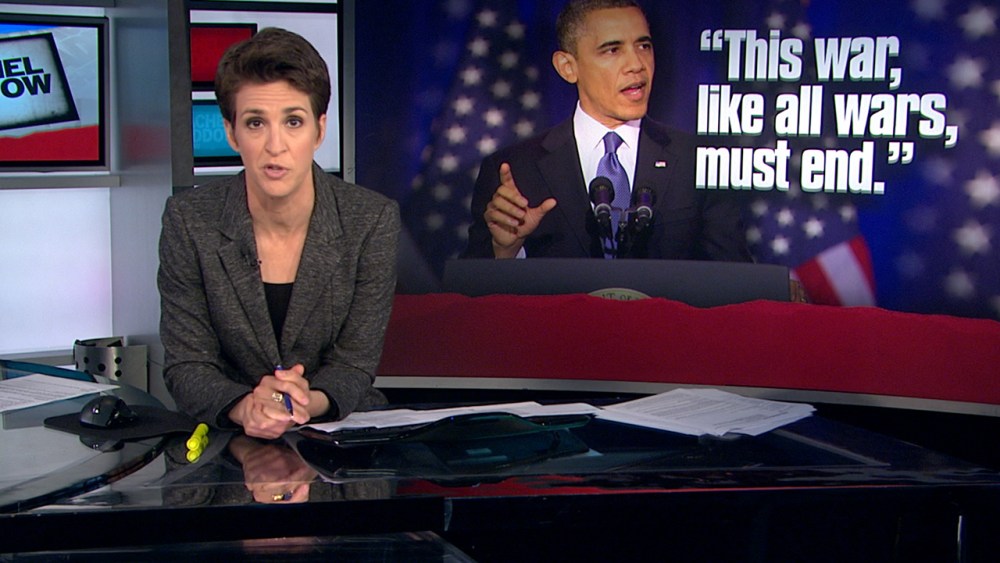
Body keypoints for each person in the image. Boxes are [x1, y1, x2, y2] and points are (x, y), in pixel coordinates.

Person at [158, 28, 400, 440]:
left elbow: (355, 364)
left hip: (336, 431)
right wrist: (247, 407)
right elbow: (187, 364)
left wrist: (305, 401)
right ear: (232, 133)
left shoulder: (371, 219)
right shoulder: (189, 220)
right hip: (229, 436)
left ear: (319, 131)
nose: (275, 145)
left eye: (293, 122)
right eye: (256, 123)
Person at [463, 0, 751, 261]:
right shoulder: (516, 171)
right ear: (567, 67)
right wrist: (506, 251)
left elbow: (736, 281)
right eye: (613, 50)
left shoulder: (700, 160)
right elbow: (470, 290)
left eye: (644, 46)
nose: (637, 65)